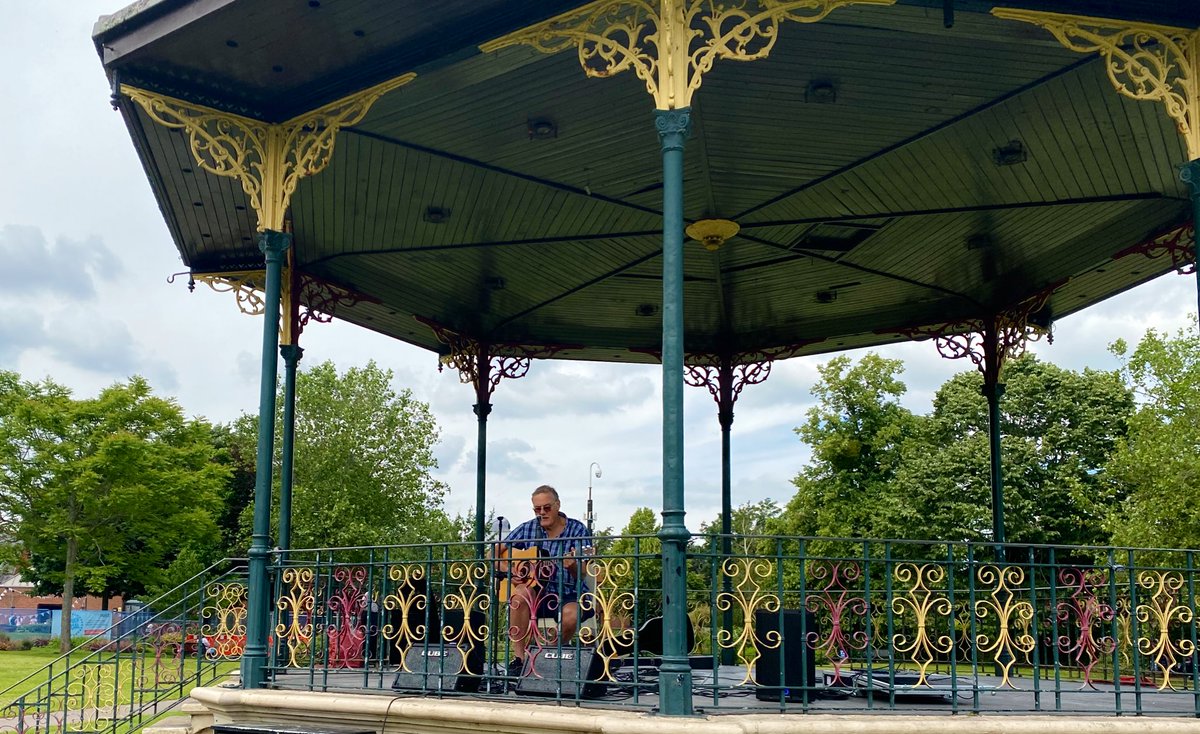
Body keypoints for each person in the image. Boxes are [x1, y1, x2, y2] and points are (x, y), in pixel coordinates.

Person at [495, 485, 592, 675]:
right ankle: (520, 661)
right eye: (537, 509)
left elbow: (581, 574)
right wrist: (510, 571)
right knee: (519, 595)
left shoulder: (577, 529)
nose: (541, 513)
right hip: (537, 594)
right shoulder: (527, 528)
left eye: (546, 508)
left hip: (568, 594)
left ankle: (546, 656)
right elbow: (494, 554)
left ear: (557, 505)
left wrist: (571, 564)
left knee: (571, 615)